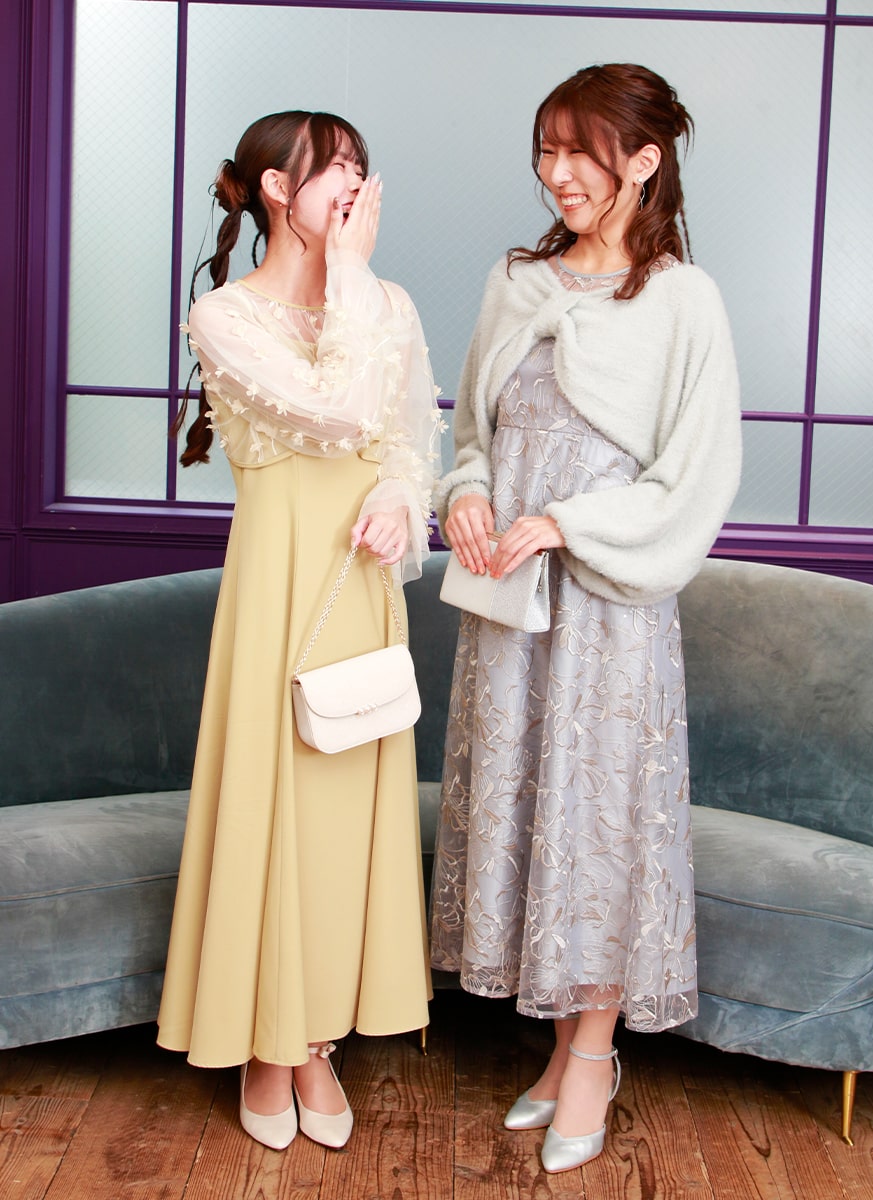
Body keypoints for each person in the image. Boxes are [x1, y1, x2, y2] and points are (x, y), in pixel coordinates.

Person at [430, 64, 741, 1175]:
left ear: (644, 162)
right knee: (533, 814)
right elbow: (471, 437)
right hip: (508, 613)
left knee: (600, 827)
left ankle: (596, 1057)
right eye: (546, 150)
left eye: (581, 152)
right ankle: (565, 1051)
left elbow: (695, 480)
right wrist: (468, 494)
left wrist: (563, 521)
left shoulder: (684, 303)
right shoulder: (516, 282)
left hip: (609, 617)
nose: (556, 173)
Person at [157, 111, 443, 1153]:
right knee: (271, 803)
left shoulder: (389, 304)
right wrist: (352, 273)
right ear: (278, 189)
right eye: (335, 171)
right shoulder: (224, 317)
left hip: (356, 586)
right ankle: (266, 1041)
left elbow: (407, 439)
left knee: (337, 817)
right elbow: (335, 411)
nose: (356, 187)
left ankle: (316, 1036)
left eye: (364, 169)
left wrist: (402, 503)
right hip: (277, 588)